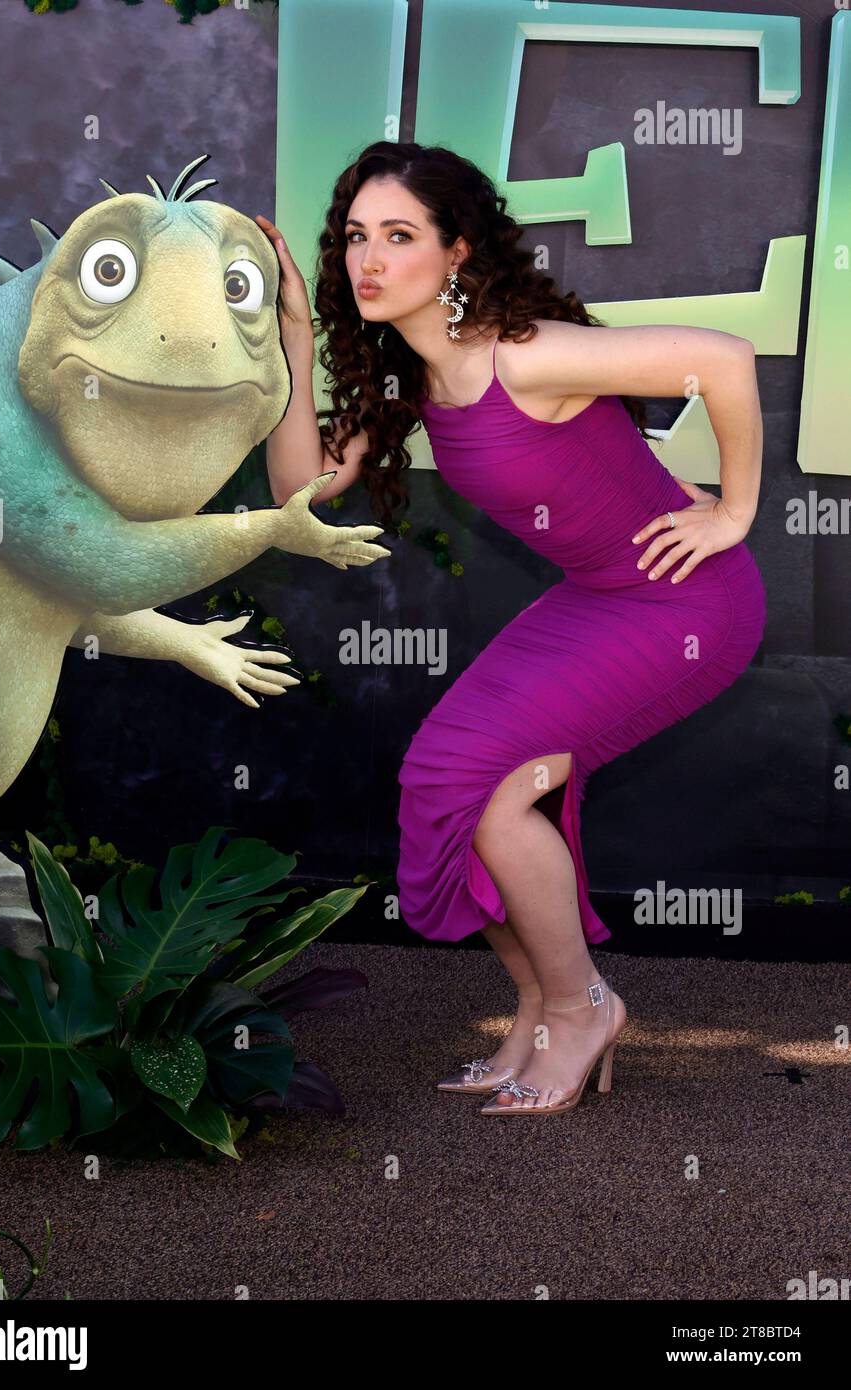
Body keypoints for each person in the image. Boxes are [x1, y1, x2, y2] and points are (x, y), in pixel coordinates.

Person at [259, 141, 765, 1116]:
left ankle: (583, 1007)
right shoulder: (414, 373)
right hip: (597, 597)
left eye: (399, 236)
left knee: (494, 799)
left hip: (686, 602)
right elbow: (299, 492)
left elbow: (723, 359)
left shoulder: (522, 351)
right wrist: (293, 334)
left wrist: (734, 512)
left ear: (454, 253)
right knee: (441, 777)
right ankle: (538, 1010)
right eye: (357, 236)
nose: (369, 258)